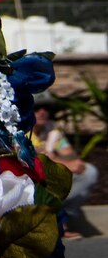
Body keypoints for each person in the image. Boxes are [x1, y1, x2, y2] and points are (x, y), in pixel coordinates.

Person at [33, 100, 101, 238]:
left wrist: (57, 159)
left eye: (46, 107)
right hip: (27, 181)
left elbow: (72, 157)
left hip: (50, 180)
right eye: (37, 107)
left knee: (88, 171)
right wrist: (54, 160)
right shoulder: (20, 129)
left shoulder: (52, 130)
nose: (42, 112)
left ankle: (61, 217)